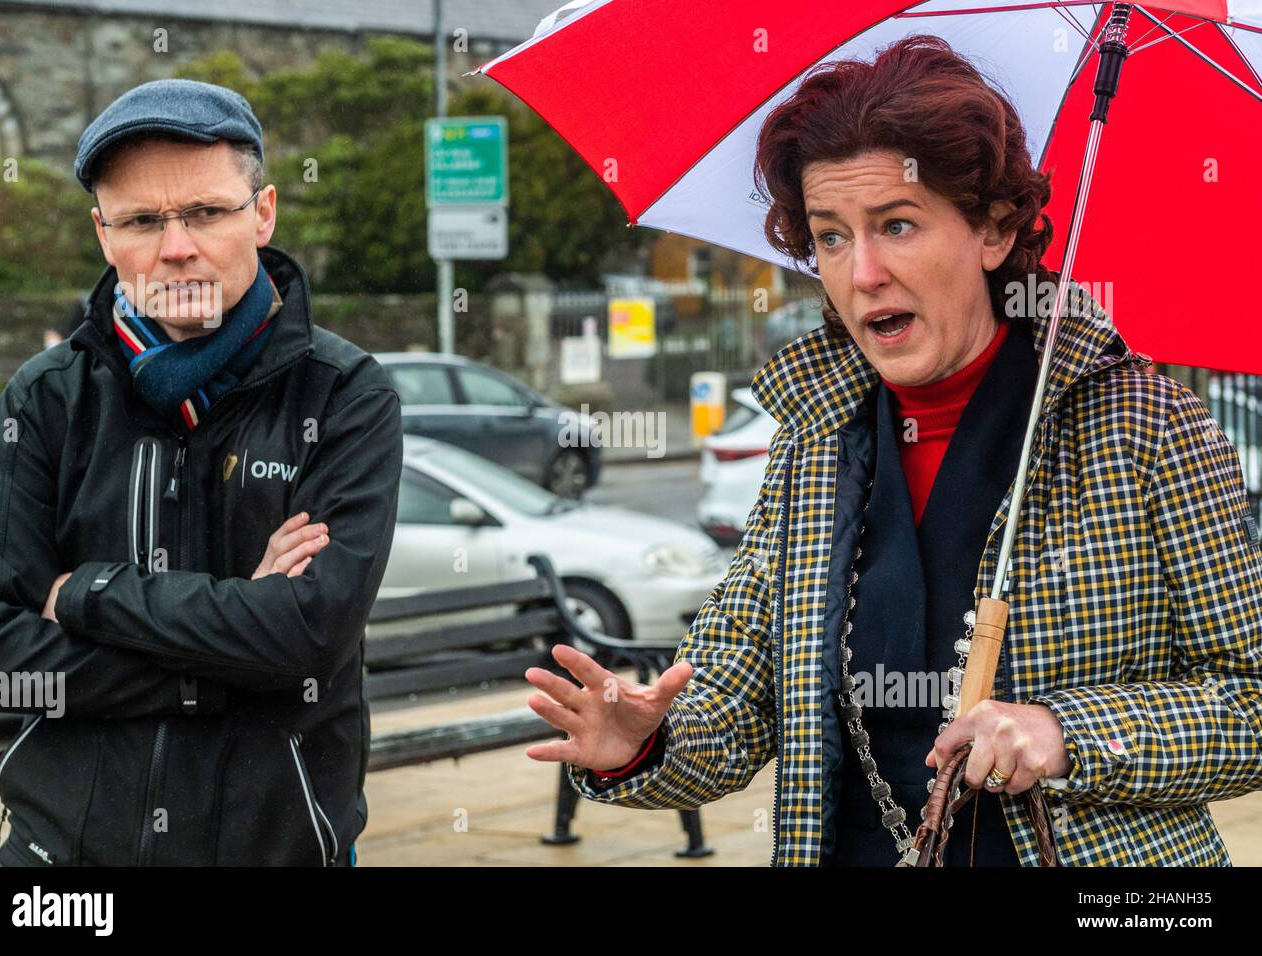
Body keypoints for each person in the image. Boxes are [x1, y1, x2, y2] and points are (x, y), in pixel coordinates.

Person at [522, 36, 1262, 866]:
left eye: (897, 225)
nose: (862, 271)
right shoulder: (815, 441)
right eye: (830, 237)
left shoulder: (1148, 424)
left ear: (993, 229)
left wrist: (1065, 732)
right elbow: (734, 697)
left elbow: (1250, 703)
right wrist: (642, 740)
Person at [0, 78, 402, 866]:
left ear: (262, 212)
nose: (175, 247)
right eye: (140, 221)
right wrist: (226, 654)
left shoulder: (343, 393)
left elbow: (307, 635)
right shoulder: (46, 397)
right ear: (103, 235)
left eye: (205, 212)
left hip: (278, 848)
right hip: (62, 866)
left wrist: (85, 594)